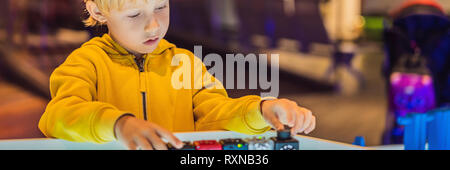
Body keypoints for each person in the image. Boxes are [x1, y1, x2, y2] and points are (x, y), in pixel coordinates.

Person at [38, 0, 316, 150]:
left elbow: (216, 111)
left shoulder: (186, 63)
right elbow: (60, 115)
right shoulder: (86, 62)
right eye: (135, 14)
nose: (153, 26)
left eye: (161, 7)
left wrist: (262, 110)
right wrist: (118, 125)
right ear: (98, 11)